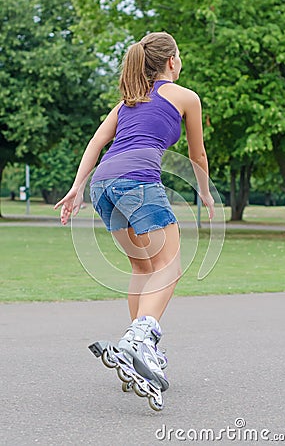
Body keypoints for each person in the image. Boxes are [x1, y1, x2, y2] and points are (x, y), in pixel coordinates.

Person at [55, 31, 214, 407]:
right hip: (137, 182)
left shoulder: (127, 101)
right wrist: (205, 193)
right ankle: (138, 341)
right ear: (172, 61)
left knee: (144, 268)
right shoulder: (186, 97)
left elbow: (96, 143)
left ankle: (139, 349)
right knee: (169, 265)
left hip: (103, 186)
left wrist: (78, 187)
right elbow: (199, 155)